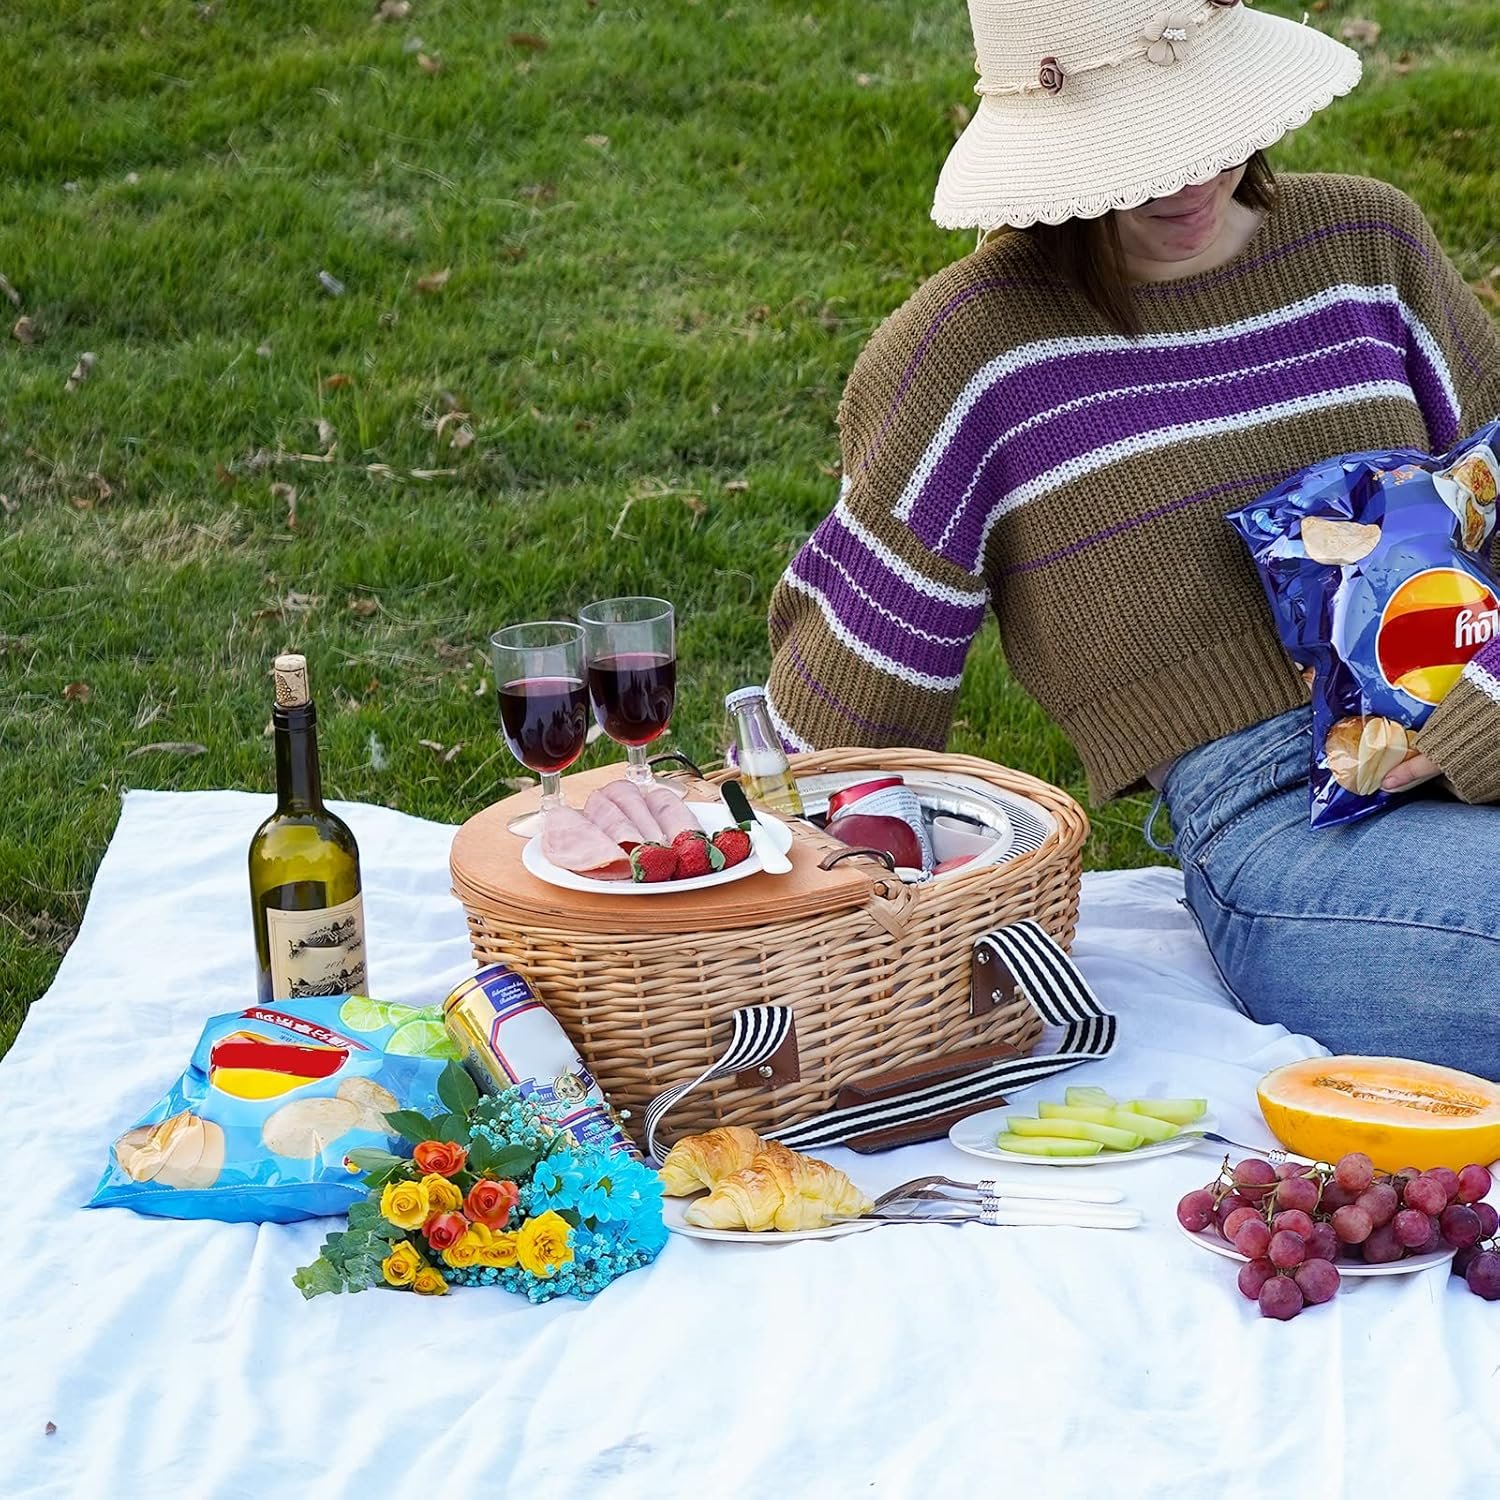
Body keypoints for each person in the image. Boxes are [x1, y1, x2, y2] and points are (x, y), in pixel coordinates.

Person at [765, 0, 1500, 1075]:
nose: (1188, 181)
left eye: (1204, 132)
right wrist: (739, 842)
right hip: (1287, 826)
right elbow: (850, 711)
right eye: (1139, 154)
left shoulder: (1370, 249)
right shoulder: (977, 351)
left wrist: (1477, 711)